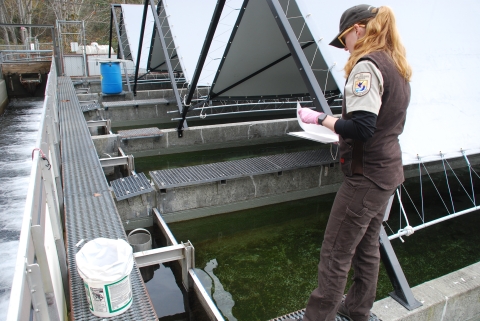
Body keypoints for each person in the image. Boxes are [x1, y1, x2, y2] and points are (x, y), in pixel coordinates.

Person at [285, 4, 412, 321]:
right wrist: (337, 123)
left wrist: (321, 119)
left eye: (344, 41)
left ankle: (319, 318)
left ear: (358, 30)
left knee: (335, 253)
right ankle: (358, 310)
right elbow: (381, 122)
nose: (345, 49)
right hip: (387, 173)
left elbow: (363, 129)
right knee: (367, 248)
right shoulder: (396, 65)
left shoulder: (366, 68)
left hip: (365, 178)